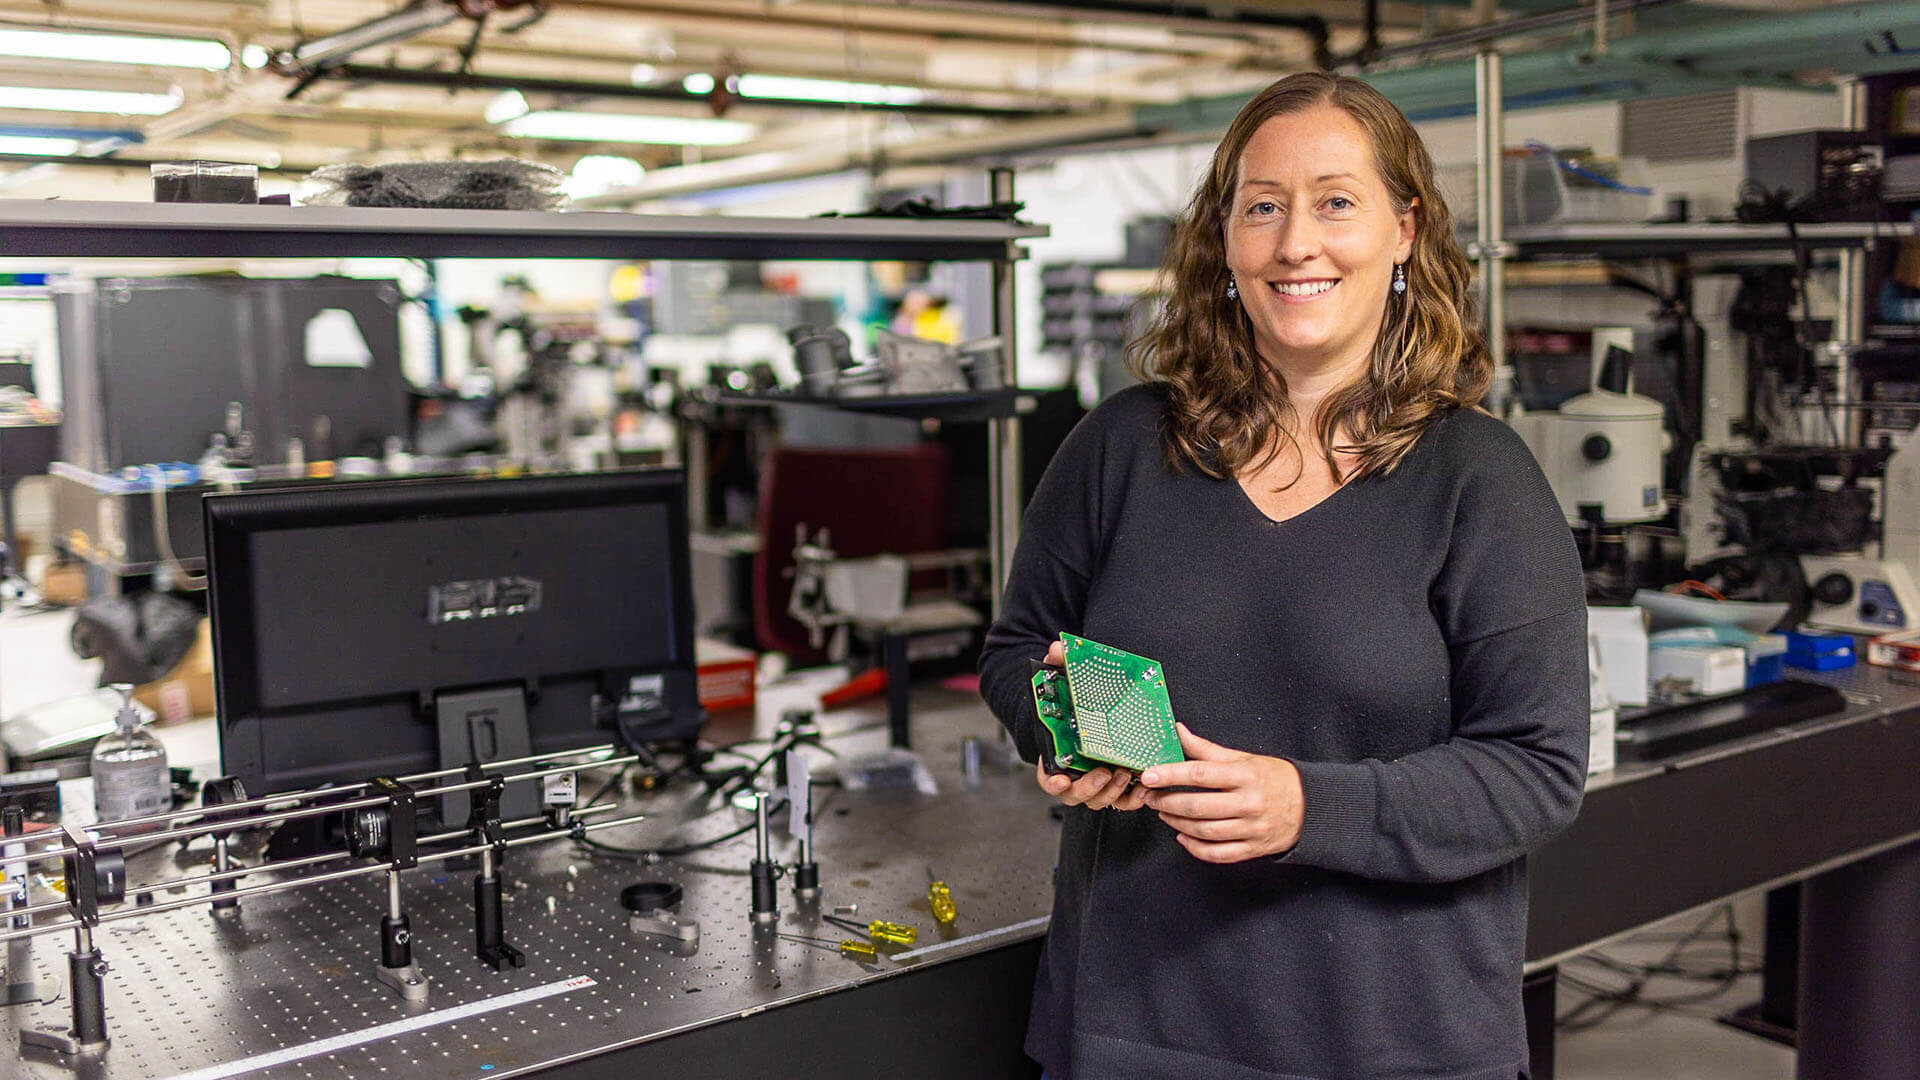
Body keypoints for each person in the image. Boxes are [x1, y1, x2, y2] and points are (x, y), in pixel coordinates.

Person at [977, 71, 1588, 1080]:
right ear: (1225, 239)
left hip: (1395, 1040)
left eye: (1336, 202)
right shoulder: (1122, 448)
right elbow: (1014, 652)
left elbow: (1537, 768)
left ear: (1404, 230)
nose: (1297, 242)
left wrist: (1310, 807)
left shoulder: (1479, 479)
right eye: (1263, 206)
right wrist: (1061, 727)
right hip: (1136, 1025)